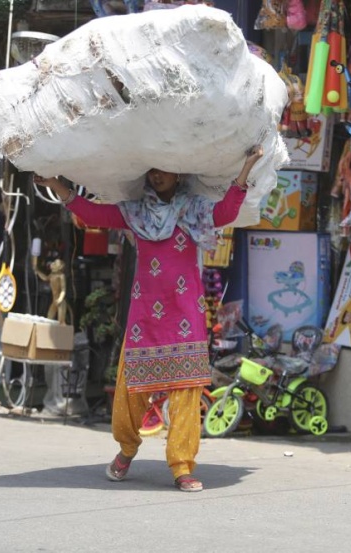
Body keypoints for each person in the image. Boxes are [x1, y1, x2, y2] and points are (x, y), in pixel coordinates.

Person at [35, 146, 264, 492]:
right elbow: (94, 215)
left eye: (165, 169)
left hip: (186, 315)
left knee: (187, 393)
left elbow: (227, 210)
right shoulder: (136, 212)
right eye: (152, 170)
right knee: (130, 393)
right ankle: (127, 449)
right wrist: (55, 184)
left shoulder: (195, 210)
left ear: (179, 173)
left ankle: (182, 466)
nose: (157, 175)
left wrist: (248, 165)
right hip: (145, 319)